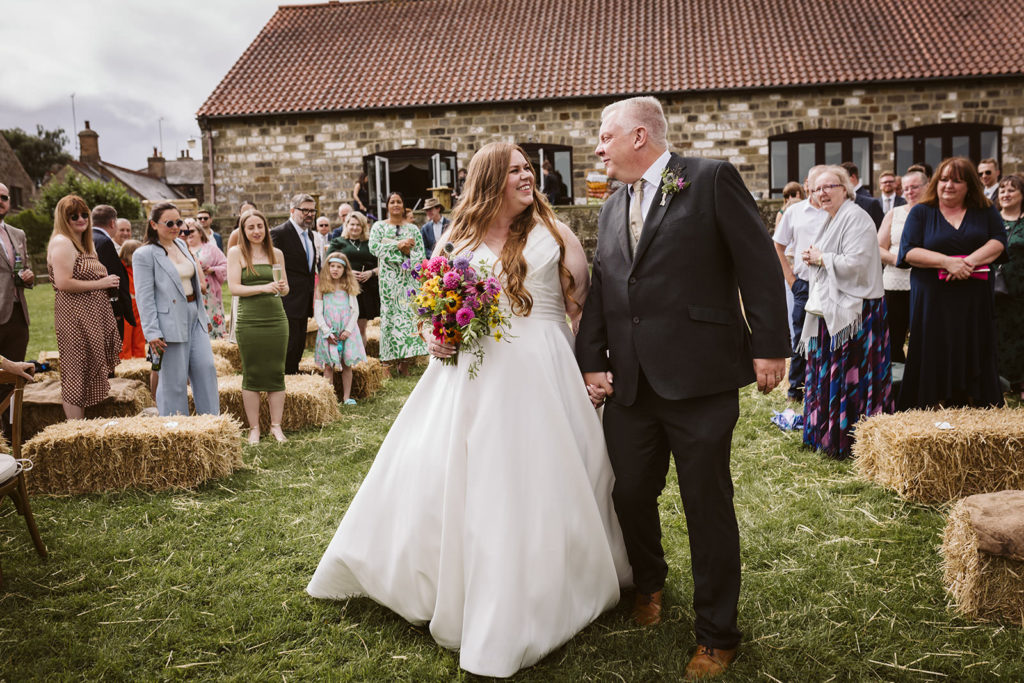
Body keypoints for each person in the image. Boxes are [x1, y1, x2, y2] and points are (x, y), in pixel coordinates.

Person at [307, 142, 630, 678]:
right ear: (489, 182)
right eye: (516, 171)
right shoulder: (457, 237)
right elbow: (433, 303)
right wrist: (439, 337)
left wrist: (590, 368)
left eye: (529, 168)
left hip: (543, 368)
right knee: (449, 471)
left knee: (548, 473)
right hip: (471, 371)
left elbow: (583, 309)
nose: (528, 177)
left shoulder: (556, 233)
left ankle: (552, 582)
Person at [576, 97, 789, 680]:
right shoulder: (613, 198)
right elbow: (606, 283)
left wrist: (771, 344)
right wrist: (592, 358)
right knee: (629, 494)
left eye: (605, 136)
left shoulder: (710, 178)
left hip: (700, 380)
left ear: (640, 136)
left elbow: (758, 263)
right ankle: (649, 583)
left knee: (706, 504)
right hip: (632, 385)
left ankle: (717, 633)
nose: (598, 147)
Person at [797, 166, 893, 459]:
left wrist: (821, 257)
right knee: (829, 372)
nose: (822, 193)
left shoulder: (856, 217)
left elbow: (859, 263)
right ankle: (826, 433)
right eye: (816, 189)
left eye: (829, 186)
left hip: (857, 313)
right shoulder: (831, 219)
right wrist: (814, 259)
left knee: (852, 374)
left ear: (845, 189)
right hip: (832, 310)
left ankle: (850, 438)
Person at [897, 157, 1007, 410]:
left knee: (973, 341)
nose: (948, 185)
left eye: (957, 180)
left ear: (969, 185)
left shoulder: (985, 210)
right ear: (936, 182)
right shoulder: (921, 212)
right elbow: (908, 252)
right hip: (933, 299)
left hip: (974, 297)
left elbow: (999, 242)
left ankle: (974, 398)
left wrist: (967, 262)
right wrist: (947, 262)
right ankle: (931, 400)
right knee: (934, 344)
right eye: (944, 179)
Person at [133, 203, 220, 417]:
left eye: (178, 222)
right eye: (169, 223)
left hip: (194, 315)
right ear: (153, 224)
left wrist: (203, 316)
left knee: (206, 369)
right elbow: (144, 297)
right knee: (174, 381)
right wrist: (152, 332)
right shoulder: (144, 254)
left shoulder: (181, 245)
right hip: (168, 322)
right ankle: (175, 429)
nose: (175, 227)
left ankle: (211, 423)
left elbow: (196, 285)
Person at [46, 195, 121, 419]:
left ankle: (83, 425)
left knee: (88, 368)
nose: (80, 219)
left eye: (84, 215)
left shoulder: (83, 243)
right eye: (73, 216)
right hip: (74, 316)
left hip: (91, 315)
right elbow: (63, 282)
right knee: (75, 371)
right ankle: (76, 429)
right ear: (64, 219)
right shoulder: (62, 242)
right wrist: (102, 283)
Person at [229, 209, 289, 444]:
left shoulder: (277, 254)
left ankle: (276, 426)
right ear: (243, 231)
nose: (256, 231)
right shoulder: (237, 253)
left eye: (260, 226)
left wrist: (281, 287)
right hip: (249, 320)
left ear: (266, 228)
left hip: (276, 319)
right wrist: (264, 287)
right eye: (250, 227)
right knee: (252, 373)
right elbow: (234, 288)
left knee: (276, 371)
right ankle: (254, 427)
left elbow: (286, 289)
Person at [773, 167, 827, 401]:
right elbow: (778, 246)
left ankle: (825, 386)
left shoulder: (838, 211)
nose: (819, 189)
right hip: (804, 284)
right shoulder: (794, 212)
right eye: (814, 184)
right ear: (807, 186)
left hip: (834, 284)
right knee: (801, 337)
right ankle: (796, 390)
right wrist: (791, 280)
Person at [369, 192, 426, 374]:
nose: (395, 204)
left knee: (409, 320)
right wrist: (397, 246)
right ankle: (386, 363)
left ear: (403, 205)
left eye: (399, 202)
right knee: (389, 319)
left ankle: (405, 363)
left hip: (409, 282)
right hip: (388, 282)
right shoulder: (378, 227)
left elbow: (421, 255)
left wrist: (408, 254)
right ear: (387, 206)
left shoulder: (413, 229)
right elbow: (374, 247)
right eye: (392, 202)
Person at [877, 170, 927, 363]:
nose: (909, 192)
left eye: (914, 187)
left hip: (924, 283)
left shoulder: (935, 213)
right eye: (905, 188)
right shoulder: (894, 214)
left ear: (926, 187)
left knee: (922, 337)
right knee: (893, 338)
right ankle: (896, 385)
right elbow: (878, 249)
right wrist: (899, 259)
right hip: (894, 284)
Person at [271, 194, 320, 375]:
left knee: (299, 344)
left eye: (312, 210)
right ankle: (285, 378)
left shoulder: (310, 235)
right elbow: (273, 266)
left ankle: (293, 374)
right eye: (305, 210)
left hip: (305, 300)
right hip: (287, 300)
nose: (309, 214)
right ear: (292, 210)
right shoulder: (279, 233)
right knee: (289, 345)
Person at [313, 252, 366, 405]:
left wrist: (348, 330)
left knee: (346, 365)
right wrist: (326, 331)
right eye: (332, 266)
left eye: (339, 267)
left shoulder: (347, 287)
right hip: (329, 332)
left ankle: (346, 397)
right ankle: (329, 398)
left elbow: (355, 310)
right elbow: (318, 312)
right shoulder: (322, 288)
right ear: (327, 268)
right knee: (328, 366)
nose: (335, 270)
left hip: (345, 331)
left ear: (345, 270)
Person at [327, 211, 379, 341]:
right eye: (352, 224)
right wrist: (347, 273)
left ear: (363, 227)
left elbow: (381, 266)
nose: (355, 227)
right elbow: (327, 264)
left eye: (358, 225)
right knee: (345, 328)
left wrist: (371, 272)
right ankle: (345, 360)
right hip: (344, 288)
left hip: (365, 290)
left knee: (361, 329)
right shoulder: (338, 242)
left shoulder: (370, 243)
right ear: (346, 225)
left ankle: (359, 360)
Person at [994, 175, 1024, 398]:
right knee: (997, 333)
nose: (1005, 194)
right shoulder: (991, 220)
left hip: (1020, 289)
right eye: (1002, 190)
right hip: (994, 290)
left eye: (1011, 190)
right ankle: (999, 380)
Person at [0, 183, 33, 367]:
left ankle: (11, 398)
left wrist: (29, 277)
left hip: (18, 314)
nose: (0, 201)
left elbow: (23, 266)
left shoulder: (18, 234)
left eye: (4, 197)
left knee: (14, 374)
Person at [91, 204, 135, 340]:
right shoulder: (104, 242)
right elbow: (113, 277)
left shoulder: (88, 238)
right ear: (112, 223)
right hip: (106, 306)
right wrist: (123, 312)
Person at [186, 218, 228, 339]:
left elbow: (225, 264)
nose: (189, 234)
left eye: (192, 231)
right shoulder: (183, 249)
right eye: (186, 232)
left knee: (211, 319)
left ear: (200, 232)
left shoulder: (211, 249)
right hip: (191, 291)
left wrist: (212, 270)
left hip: (209, 293)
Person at [118, 240, 147, 360]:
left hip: (139, 304)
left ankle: (139, 357)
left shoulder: (139, 268)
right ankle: (125, 358)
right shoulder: (121, 267)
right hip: (127, 305)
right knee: (126, 334)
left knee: (139, 334)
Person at [841, 161, 884, 228]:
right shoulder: (840, 199)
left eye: (843, 179)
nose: (841, 182)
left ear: (853, 177)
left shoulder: (869, 201)